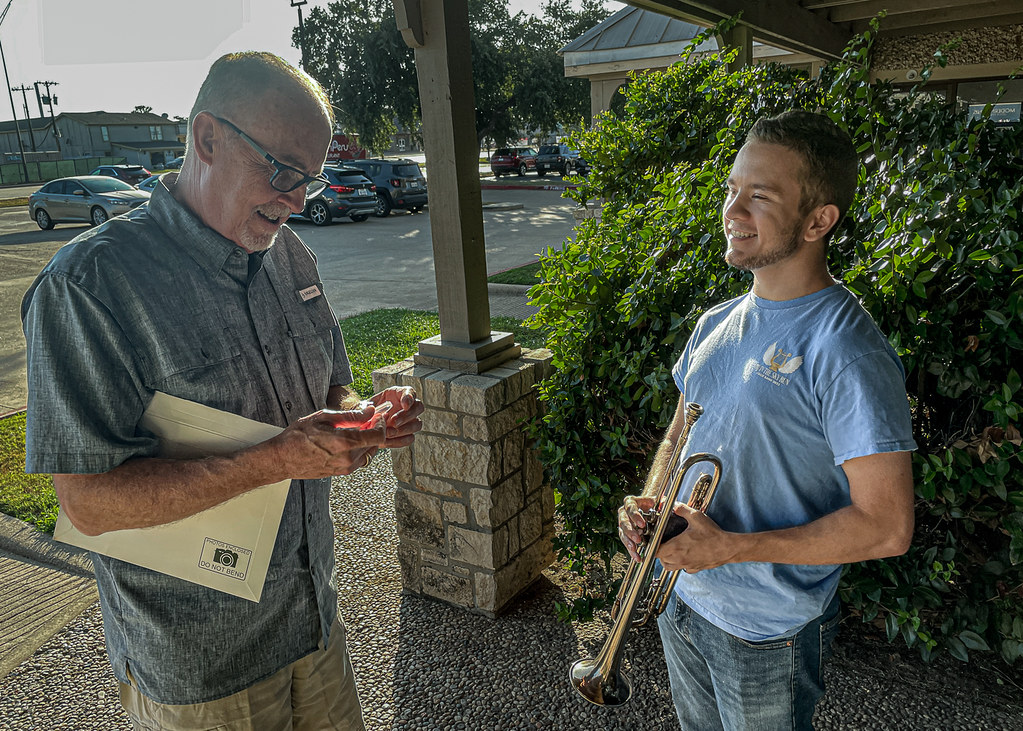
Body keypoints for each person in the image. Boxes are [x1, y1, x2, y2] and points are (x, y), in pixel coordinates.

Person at [21, 52, 423, 730]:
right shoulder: (90, 285)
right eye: (283, 170)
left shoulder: (290, 253)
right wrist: (277, 456)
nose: (297, 199)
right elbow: (86, 503)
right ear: (207, 139)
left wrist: (366, 420)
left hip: (313, 624)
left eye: (310, 179)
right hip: (202, 671)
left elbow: (334, 384)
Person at [618, 110, 917, 730]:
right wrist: (650, 504)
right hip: (683, 600)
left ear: (818, 219)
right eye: (732, 190)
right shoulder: (714, 323)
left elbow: (887, 528)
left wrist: (730, 549)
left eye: (759, 196)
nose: (732, 210)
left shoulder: (846, 349)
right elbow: (680, 436)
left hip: (768, 631)